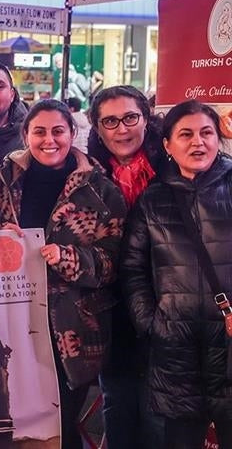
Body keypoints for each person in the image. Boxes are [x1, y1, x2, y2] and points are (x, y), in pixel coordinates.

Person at [0, 99, 127, 449]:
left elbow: (111, 264)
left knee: (59, 427)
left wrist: (66, 257)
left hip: (72, 331)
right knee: (13, 426)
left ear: (73, 133)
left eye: (58, 131)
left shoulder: (101, 190)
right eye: (40, 131)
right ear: (25, 134)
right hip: (11, 323)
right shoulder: (0, 180)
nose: (50, 140)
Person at [120, 100, 232, 449]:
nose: (197, 142)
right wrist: (152, 323)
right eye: (186, 134)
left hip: (229, 342)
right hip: (175, 346)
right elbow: (132, 268)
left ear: (219, 139)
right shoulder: (152, 200)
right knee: (180, 439)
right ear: (167, 145)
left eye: (206, 133)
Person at [86, 85, 166, 449]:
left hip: (166, 303)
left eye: (130, 117)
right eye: (111, 121)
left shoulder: (172, 165)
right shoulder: (86, 176)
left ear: (146, 119)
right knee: (116, 406)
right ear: (98, 128)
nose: (122, 129)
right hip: (109, 307)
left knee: (158, 411)